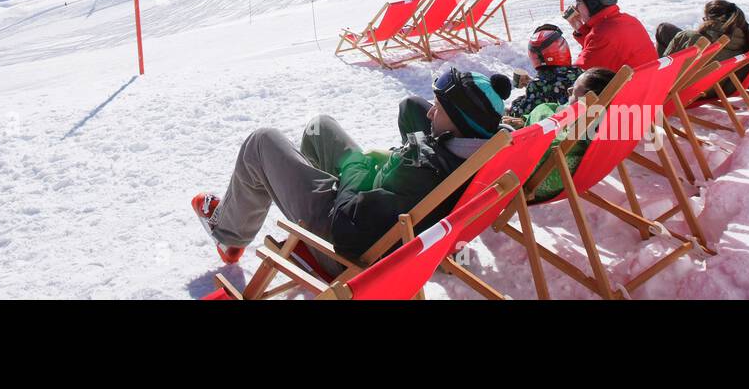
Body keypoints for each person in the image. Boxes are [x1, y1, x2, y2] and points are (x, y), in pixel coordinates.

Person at [191, 68, 512, 268]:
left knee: (261, 142)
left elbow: (348, 225)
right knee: (320, 127)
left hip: (343, 237)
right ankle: (304, 195)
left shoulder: (424, 169)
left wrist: (353, 167)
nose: (430, 115)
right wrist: (376, 168)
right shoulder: (474, 153)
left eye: (438, 110)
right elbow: (418, 121)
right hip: (373, 204)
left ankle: (230, 235)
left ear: (457, 124)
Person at [502, 67, 615, 201]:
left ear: (589, 102)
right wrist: (525, 122)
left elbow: (530, 156)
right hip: (564, 181)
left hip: (524, 183)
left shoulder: (564, 141)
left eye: (575, 89)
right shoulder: (602, 129)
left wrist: (524, 131)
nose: (569, 90)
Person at [563, 0, 658, 72]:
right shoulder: (629, 21)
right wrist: (580, 28)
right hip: (646, 83)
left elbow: (577, 75)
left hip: (630, 86)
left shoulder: (603, 35)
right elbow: (601, 51)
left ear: (593, 4)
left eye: (578, 1)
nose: (576, 8)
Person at [508, 24, 579, 117]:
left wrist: (516, 103)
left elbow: (520, 114)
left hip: (558, 128)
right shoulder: (578, 73)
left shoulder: (536, 86)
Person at [654, 0, 749, 59]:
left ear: (710, 20)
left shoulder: (692, 39)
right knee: (665, 29)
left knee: (664, 29)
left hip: (693, 89)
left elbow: (664, 70)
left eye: (705, 19)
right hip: (721, 85)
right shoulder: (747, 41)